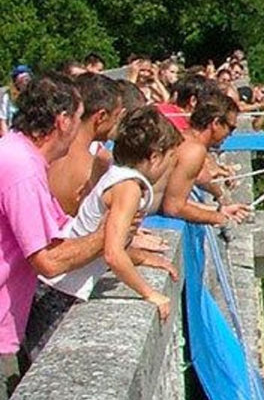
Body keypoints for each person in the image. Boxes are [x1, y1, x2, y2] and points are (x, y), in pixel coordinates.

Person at [0, 75, 107, 400]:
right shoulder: (22, 169)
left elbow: (64, 228)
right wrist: (108, 237)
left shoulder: (19, 156)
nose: (79, 128)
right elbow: (48, 259)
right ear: (62, 121)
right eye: (77, 118)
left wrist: (126, 237)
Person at [36, 107, 181, 331]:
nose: (171, 167)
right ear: (154, 157)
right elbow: (113, 254)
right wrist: (150, 293)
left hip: (52, 287)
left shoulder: (117, 175)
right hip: (58, 291)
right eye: (171, 158)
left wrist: (142, 258)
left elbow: (111, 238)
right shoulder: (129, 188)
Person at [160, 92, 250, 227]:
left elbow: (171, 197)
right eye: (230, 128)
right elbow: (174, 208)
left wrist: (220, 210)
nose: (230, 135)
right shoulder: (194, 150)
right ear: (216, 123)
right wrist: (218, 218)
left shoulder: (183, 138)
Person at [48, 73, 125, 217]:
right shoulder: (92, 171)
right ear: (101, 116)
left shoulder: (46, 156)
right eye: (116, 116)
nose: (117, 123)